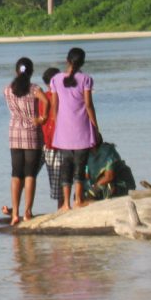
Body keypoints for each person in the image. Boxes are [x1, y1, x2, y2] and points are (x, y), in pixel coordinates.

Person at [49, 47, 101, 211]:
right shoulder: (86, 79)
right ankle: (78, 200)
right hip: (82, 130)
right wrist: (96, 128)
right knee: (80, 167)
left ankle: (65, 204)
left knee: (66, 167)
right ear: (82, 62)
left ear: (67, 60)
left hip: (64, 132)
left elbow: (55, 106)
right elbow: (89, 105)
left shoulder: (55, 79)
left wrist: (58, 126)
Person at [3, 57, 48, 225]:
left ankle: (15, 213)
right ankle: (27, 212)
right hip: (31, 133)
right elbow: (47, 101)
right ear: (31, 72)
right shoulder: (35, 89)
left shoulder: (7, 90)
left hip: (14, 133)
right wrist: (42, 118)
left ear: (16, 71)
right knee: (30, 174)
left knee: (16, 174)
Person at [39, 66, 66, 210]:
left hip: (45, 142)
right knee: (59, 181)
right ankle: (62, 208)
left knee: (55, 180)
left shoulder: (41, 98)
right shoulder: (60, 97)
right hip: (57, 143)